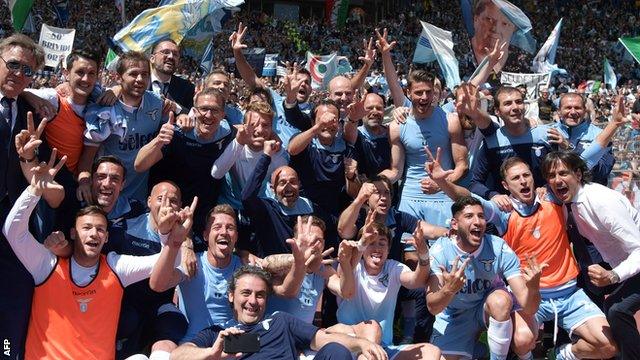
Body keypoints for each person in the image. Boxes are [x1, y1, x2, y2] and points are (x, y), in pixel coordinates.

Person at [428, 149, 617, 360]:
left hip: (569, 293)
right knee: (522, 341)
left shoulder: (553, 197)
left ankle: (561, 355)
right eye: (515, 178)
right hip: (527, 294)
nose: (523, 181)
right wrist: (443, 183)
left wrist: (614, 124)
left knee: (608, 346)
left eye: (526, 175)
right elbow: (468, 200)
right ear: (505, 186)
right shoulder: (502, 212)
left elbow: (577, 165)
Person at [2, 151, 192, 359]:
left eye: (100, 229)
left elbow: (163, 262)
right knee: (6, 345)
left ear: (108, 237)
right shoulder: (46, 265)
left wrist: (172, 238)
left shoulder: (116, 267)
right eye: (87, 228)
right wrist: (34, 190)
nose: (94, 233)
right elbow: (14, 232)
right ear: (73, 232)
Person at [169, 265, 389, 360]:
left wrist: (362, 343)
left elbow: (322, 338)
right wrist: (210, 354)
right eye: (246, 293)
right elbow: (178, 355)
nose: (253, 301)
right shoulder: (219, 335)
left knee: (336, 351)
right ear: (231, 296)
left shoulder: (280, 322)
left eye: (260, 295)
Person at [542, 150, 640, 359]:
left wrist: (613, 276)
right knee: (600, 298)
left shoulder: (601, 202)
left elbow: (639, 249)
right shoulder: (569, 203)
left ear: (578, 174)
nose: (557, 180)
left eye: (563, 173)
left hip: (634, 261)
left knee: (617, 309)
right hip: (620, 264)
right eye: (551, 176)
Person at [426, 196, 543, 360]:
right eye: (469, 216)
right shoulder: (440, 251)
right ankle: (480, 349)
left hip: (490, 307)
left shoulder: (498, 247)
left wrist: (533, 288)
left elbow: (529, 307)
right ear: (454, 224)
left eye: (481, 216)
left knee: (522, 336)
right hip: (456, 315)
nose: (477, 221)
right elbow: (433, 307)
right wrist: (449, 289)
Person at [102, 181, 193, 359]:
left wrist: (184, 243)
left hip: (159, 303)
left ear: (180, 206)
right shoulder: (124, 228)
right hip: (126, 303)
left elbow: (177, 276)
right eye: (160, 198)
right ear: (149, 201)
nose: (166, 204)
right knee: (128, 320)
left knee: (175, 322)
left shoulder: (183, 235)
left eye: (173, 201)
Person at [336, 216, 442, 360]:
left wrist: (423, 253)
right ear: (362, 245)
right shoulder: (351, 266)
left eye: (382, 243)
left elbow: (416, 281)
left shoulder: (393, 268)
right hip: (348, 345)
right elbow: (344, 279)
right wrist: (361, 245)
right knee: (369, 347)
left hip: (384, 348)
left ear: (388, 249)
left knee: (432, 352)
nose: (377, 248)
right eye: (371, 243)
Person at [0, 33, 46, 358]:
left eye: (27, 71)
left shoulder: (30, 108)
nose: (19, 73)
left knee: (13, 299)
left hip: (11, 223)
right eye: (13, 64)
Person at [135, 87, 236, 233]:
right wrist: (159, 140)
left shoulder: (228, 135)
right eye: (204, 109)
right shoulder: (177, 133)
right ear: (194, 111)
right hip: (167, 215)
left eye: (214, 110)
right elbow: (139, 165)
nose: (208, 115)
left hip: (203, 218)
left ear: (223, 115)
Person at [380, 70, 468, 229]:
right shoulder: (397, 127)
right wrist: (375, 181)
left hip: (444, 197)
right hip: (410, 199)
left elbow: (462, 165)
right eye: (419, 92)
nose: (424, 97)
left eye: (429, 92)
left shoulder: (450, 121)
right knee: (411, 252)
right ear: (408, 93)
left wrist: (442, 183)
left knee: (445, 250)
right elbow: (395, 171)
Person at [79, 51, 167, 203]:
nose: (140, 79)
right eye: (133, 74)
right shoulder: (106, 107)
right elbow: (88, 155)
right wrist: (84, 182)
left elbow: (183, 113)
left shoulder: (157, 103)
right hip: (106, 195)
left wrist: (183, 116)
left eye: (145, 74)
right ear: (118, 78)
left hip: (138, 199)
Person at [148, 39, 194, 113]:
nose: (171, 57)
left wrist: (175, 108)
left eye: (175, 54)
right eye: (165, 52)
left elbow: (191, 114)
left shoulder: (187, 87)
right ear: (152, 58)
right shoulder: (139, 81)